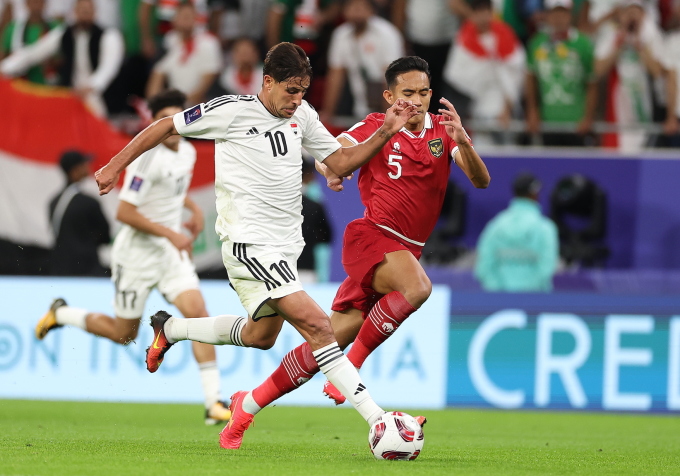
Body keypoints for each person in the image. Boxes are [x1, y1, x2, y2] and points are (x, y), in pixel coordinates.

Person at [93, 42, 419, 450]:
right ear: (268, 82)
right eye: (290, 91)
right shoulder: (230, 110)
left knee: (260, 336)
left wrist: (386, 132)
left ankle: (170, 328)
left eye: (302, 91)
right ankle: (378, 420)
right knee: (319, 327)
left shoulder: (302, 114)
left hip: (284, 248)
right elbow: (165, 127)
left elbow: (339, 163)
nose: (296, 100)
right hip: (248, 244)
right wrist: (114, 165)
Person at [239, 56, 489, 411]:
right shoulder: (375, 125)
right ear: (389, 96)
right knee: (418, 288)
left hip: (404, 254)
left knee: (324, 344)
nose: (415, 102)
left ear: (431, 94)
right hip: (373, 238)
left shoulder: (445, 133)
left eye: (422, 93)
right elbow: (331, 152)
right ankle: (353, 367)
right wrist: (330, 171)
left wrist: (463, 141)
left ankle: (247, 405)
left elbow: (481, 181)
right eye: (407, 93)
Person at [36, 90, 232, 425]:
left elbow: (173, 190)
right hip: (136, 256)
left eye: (175, 119)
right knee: (123, 333)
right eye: (163, 121)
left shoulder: (187, 150)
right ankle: (62, 313)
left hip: (170, 255)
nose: (171, 129)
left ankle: (213, 402)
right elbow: (125, 213)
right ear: (153, 123)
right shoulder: (146, 158)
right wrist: (171, 232)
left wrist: (194, 209)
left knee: (198, 313)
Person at [0, 0, 124, 117]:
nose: (84, 14)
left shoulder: (109, 36)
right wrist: (5, 68)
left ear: (94, 12)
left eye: (87, 10)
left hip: (97, 96)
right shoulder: (65, 33)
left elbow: (108, 68)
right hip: (70, 96)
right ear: (75, 12)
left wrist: (92, 85)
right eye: (81, 10)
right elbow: (34, 53)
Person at [442, 0, 525, 145]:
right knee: (481, 151)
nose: (482, 16)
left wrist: (507, 107)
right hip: (477, 110)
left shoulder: (506, 34)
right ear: (472, 14)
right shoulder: (463, 40)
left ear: (491, 12)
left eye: (486, 11)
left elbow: (515, 73)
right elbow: (456, 78)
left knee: (508, 151)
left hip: (504, 109)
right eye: (478, 11)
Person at [595, 0, 671, 151]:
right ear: (621, 15)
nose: (632, 17)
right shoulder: (611, 36)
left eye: (636, 13)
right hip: (618, 111)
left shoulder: (652, 36)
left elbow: (657, 72)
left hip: (645, 109)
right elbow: (598, 70)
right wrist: (618, 47)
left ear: (643, 16)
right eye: (628, 13)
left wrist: (640, 48)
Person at [525, 0, 598, 146]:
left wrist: (588, 117)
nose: (558, 19)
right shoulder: (537, 43)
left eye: (563, 14)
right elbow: (531, 79)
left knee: (576, 167)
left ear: (570, 15)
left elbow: (591, 83)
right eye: (554, 13)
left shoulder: (583, 44)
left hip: (576, 123)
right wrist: (532, 111)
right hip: (547, 122)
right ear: (548, 16)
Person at [474, 173, 558, 292]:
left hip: (498, 303)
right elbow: (546, 268)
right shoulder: (545, 228)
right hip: (536, 303)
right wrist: (528, 296)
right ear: (535, 193)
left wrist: (499, 295)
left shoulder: (495, 226)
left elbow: (484, 267)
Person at [321, 0, 404, 121]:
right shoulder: (340, 35)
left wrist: (389, 118)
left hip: (388, 106)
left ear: (372, 9)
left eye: (362, 6)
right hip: (359, 109)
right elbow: (335, 77)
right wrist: (328, 113)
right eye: (351, 6)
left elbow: (393, 78)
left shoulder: (387, 33)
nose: (356, 11)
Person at [145, 2, 221, 106]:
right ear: (174, 20)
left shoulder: (208, 42)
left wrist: (182, 105)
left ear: (196, 19)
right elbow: (157, 74)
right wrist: (154, 105)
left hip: (202, 104)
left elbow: (208, 81)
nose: (186, 20)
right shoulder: (169, 41)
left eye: (189, 16)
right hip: (176, 105)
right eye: (182, 16)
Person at [48, 150, 110, 277]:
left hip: (61, 268)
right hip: (88, 269)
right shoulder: (89, 203)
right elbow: (105, 236)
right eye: (83, 164)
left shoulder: (53, 202)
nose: (88, 167)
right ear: (74, 170)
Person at [0, 0, 60, 84]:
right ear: (26, 4)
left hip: (48, 85)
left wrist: (51, 62)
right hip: (18, 85)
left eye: (39, 2)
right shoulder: (12, 29)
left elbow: (64, 60)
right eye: (33, 2)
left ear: (45, 4)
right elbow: (3, 57)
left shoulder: (56, 29)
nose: (36, 6)